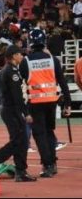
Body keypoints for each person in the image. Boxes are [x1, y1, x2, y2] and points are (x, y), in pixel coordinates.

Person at [0, 45, 37, 182]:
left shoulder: (7, 70)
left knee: (21, 141)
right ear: (14, 56)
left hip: (9, 109)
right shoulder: (12, 72)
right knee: (18, 141)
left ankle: (21, 171)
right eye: (20, 54)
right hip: (12, 110)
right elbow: (17, 96)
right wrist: (26, 112)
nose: (22, 56)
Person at [19, 29, 72, 177]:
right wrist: (67, 104)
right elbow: (63, 82)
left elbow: (20, 84)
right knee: (49, 132)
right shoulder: (53, 60)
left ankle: (47, 164)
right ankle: (52, 163)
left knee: (39, 134)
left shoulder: (26, 62)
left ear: (30, 43)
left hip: (35, 103)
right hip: (51, 102)